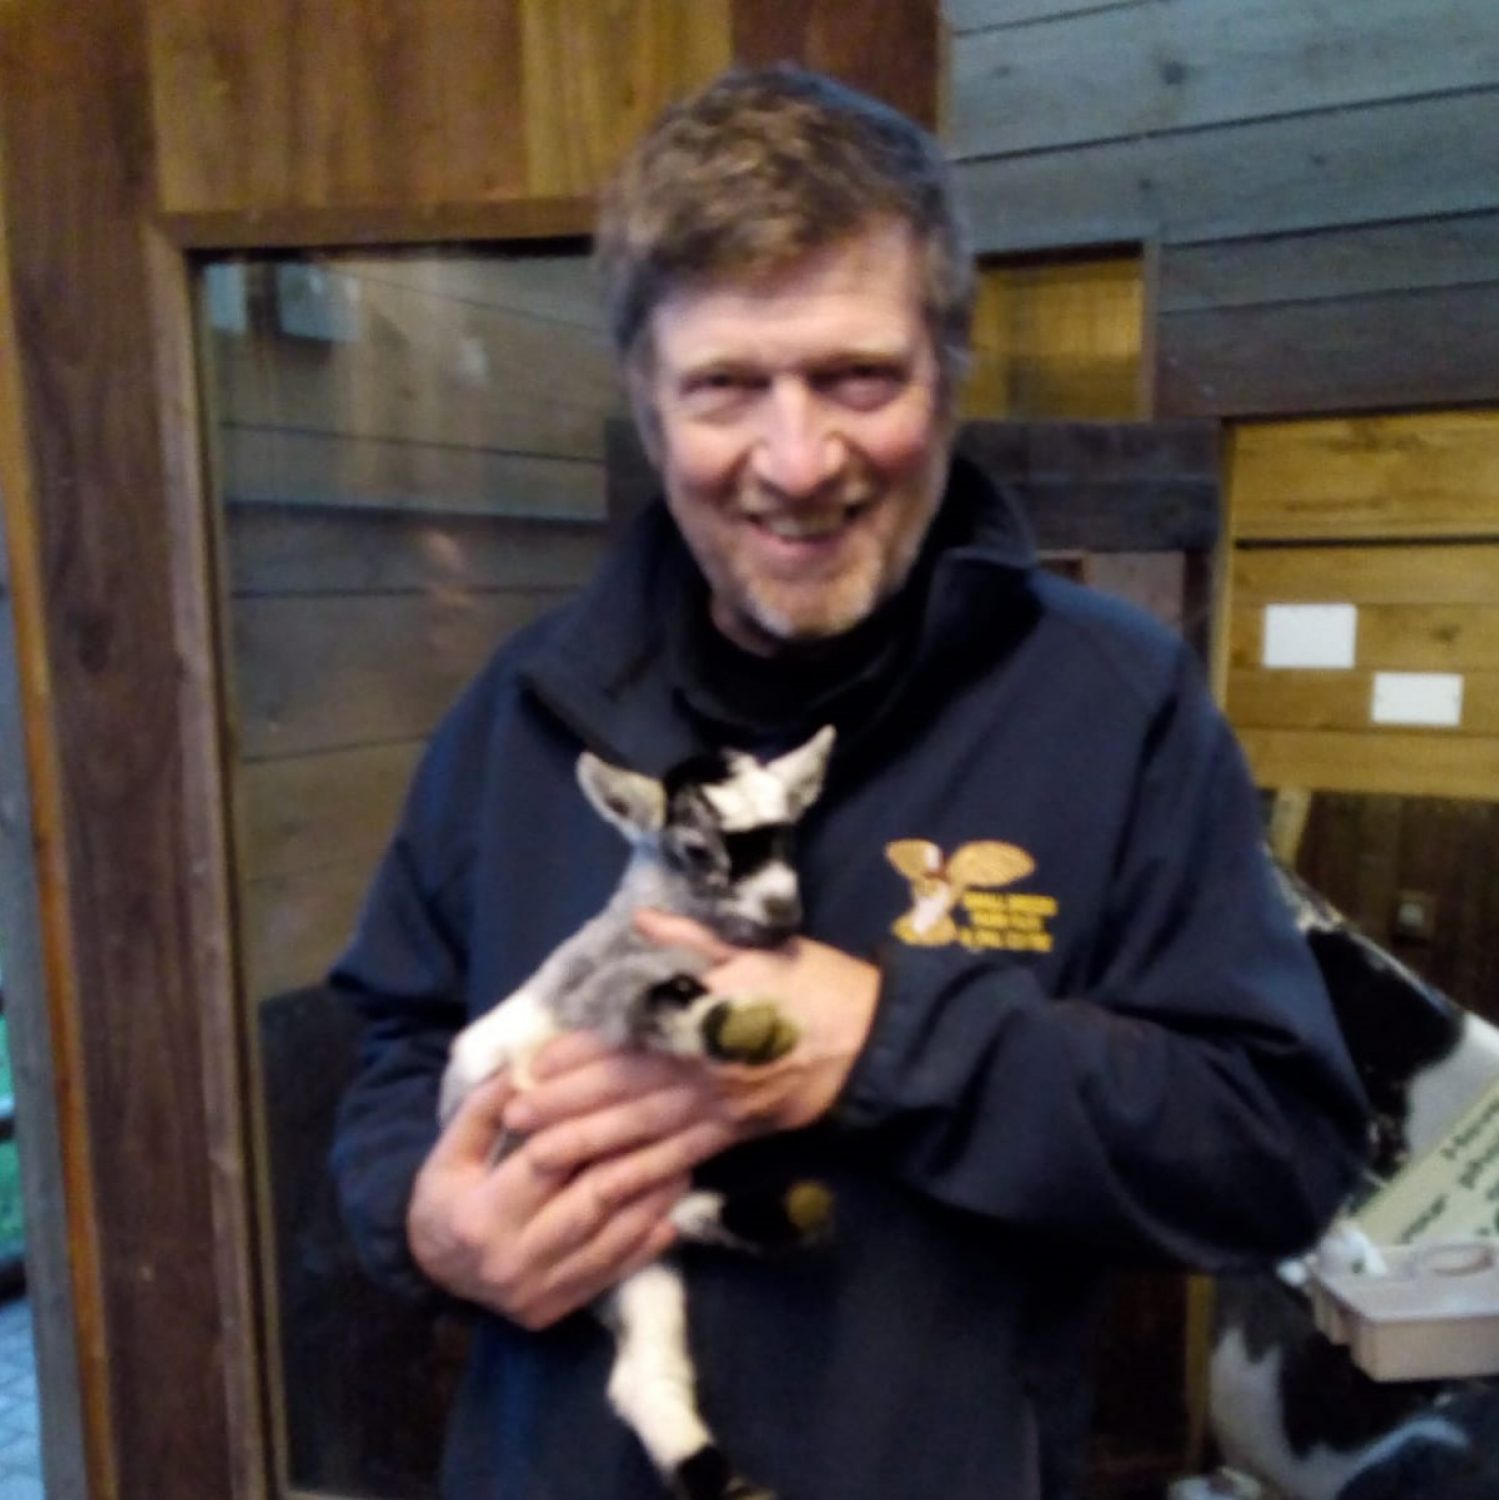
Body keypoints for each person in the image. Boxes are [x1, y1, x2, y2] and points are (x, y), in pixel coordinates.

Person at [330, 65, 1367, 1500]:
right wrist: (420, 1224)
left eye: (856, 378)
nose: (797, 460)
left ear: (949, 371)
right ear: (646, 400)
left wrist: (882, 1043)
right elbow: (392, 1053)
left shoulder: (1110, 707)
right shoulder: (519, 713)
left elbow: (1274, 1153)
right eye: (726, 389)